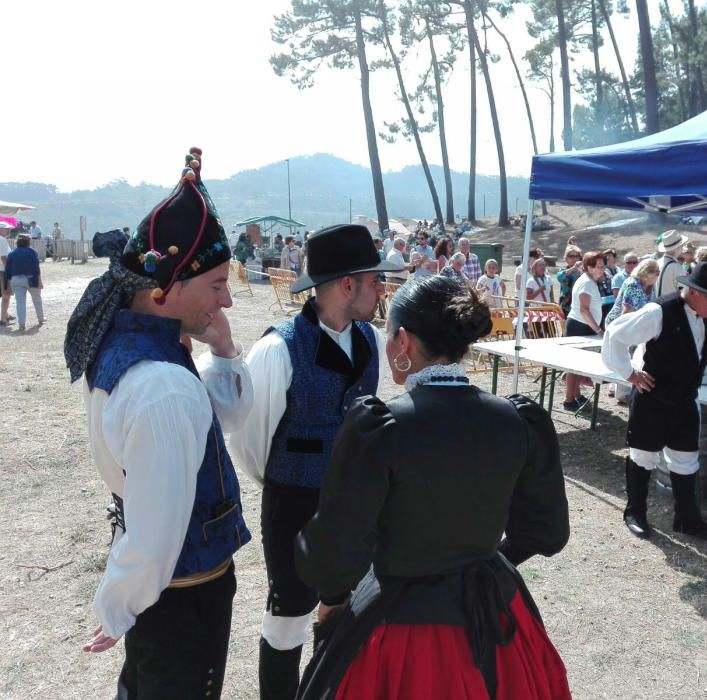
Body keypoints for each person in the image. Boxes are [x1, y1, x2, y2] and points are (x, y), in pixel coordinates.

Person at [293, 275, 571, 699]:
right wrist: (482, 557)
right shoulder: (517, 419)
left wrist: (332, 597)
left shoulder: (381, 427)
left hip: (401, 623)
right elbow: (547, 532)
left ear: (402, 342)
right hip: (493, 609)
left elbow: (335, 550)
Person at [64, 148, 253, 698]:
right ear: (162, 292)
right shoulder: (162, 386)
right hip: (181, 595)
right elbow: (155, 535)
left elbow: (219, 424)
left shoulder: (140, 346)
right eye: (217, 285)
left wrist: (222, 351)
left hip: (170, 588)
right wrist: (116, 605)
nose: (227, 300)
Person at [228, 224, 403, 700]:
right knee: (287, 618)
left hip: (351, 505)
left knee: (344, 608)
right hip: (293, 504)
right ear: (347, 285)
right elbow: (249, 439)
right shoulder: (279, 348)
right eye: (374, 279)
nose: (381, 288)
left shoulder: (369, 340)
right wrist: (291, 478)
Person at [602, 263, 707, 542]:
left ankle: (688, 519)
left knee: (686, 461)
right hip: (654, 400)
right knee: (643, 457)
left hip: (686, 402)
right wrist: (628, 373)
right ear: (694, 292)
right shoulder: (658, 311)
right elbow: (615, 333)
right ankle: (635, 512)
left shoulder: (706, 320)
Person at [563, 251, 605, 410]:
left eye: (603, 266)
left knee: (576, 365)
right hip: (579, 326)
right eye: (599, 267)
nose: (602, 269)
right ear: (589, 267)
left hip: (581, 326)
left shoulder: (588, 281)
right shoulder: (587, 283)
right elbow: (584, 310)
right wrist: (598, 330)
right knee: (574, 365)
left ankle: (576, 395)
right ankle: (569, 400)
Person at [3, 234, 44, 330]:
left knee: (20, 302)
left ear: (17, 242)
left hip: (16, 279)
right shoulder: (32, 252)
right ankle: (41, 319)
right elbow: (36, 268)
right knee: (37, 298)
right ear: (28, 242)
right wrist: (39, 281)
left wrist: (7, 285)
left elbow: (8, 269)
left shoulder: (12, 253)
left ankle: (22, 324)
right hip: (31, 278)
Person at [606, 258, 660, 327]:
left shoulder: (651, 284)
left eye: (656, 274)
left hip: (637, 323)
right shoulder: (633, 285)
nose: (652, 279)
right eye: (648, 277)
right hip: (618, 324)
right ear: (643, 273)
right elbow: (626, 313)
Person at [655, 230, 689, 297]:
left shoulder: (657, 263)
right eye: (681, 245)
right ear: (676, 248)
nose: (682, 247)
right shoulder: (677, 267)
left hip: (658, 304)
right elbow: (684, 292)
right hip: (671, 305)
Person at [555, 245, 583, 315]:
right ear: (566, 258)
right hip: (567, 307)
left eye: (577, 256)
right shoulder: (563, 270)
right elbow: (560, 277)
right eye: (571, 256)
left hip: (581, 306)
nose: (575, 258)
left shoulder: (583, 271)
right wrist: (574, 267)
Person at [598, 249, 617, 325]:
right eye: (605, 256)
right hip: (603, 304)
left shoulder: (619, 270)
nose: (607, 257)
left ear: (614, 258)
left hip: (614, 303)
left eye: (609, 255)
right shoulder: (603, 272)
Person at [0, 227, 10, 326]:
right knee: (6, 295)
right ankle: (3, 318)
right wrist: (9, 270)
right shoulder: (2, 240)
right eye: (5, 229)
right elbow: (3, 257)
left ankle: (5, 314)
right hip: (3, 271)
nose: (8, 230)